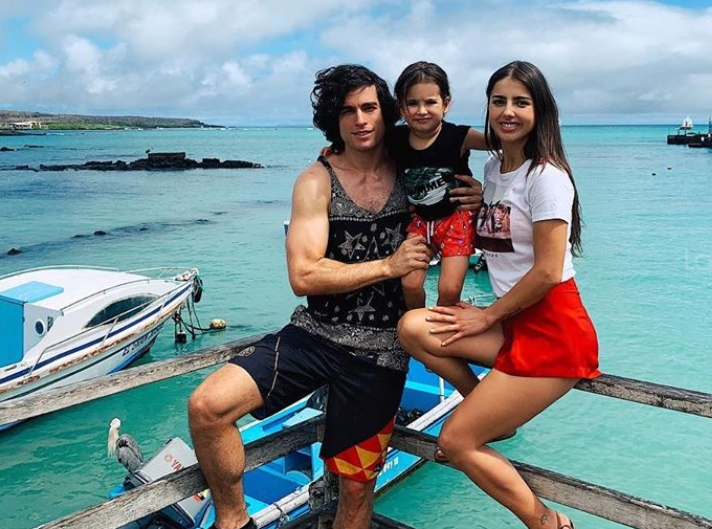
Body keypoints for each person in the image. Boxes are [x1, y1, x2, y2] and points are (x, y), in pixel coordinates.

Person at [187, 64, 433, 529]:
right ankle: (234, 520)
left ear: (387, 113)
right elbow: (302, 274)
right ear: (332, 120)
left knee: (356, 493)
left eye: (369, 108)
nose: (360, 120)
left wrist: (472, 193)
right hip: (314, 336)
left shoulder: (411, 170)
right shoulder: (317, 180)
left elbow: (463, 168)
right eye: (347, 111)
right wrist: (388, 266)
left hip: (381, 353)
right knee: (208, 406)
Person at [397, 61, 601, 529]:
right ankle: (488, 409)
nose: (508, 111)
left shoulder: (546, 177)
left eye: (521, 102)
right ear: (487, 107)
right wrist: (473, 200)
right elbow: (492, 224)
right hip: (513, 323)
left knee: (456, 441)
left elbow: (547, 271)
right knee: (412, 327)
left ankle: (547, 522)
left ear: (540, 111)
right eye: (499, 101)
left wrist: (486, 316)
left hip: (554, 333)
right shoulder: (492, 167)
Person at [390, 61, 486, 309]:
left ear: (446, 103)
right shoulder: (395, 138)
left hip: (457, 220)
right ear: (401, 107)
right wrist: (335, 151)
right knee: (410, 283)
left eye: (430, 102)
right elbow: (363, 150)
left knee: (449, 289)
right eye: (412, 103)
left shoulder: (459, 136)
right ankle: (417, 324)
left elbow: (502, 142)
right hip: (421, 222)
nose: (422, 110)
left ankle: (444, 327)